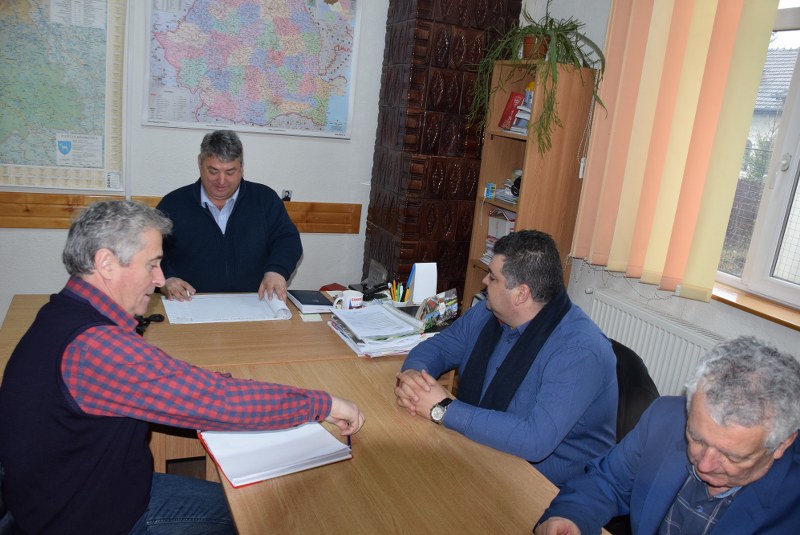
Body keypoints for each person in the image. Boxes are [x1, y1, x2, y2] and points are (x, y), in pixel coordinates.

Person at [0, 200, 364, 534]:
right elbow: (220, 402)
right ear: (106, 263)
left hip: (82, 487)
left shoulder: (65, 310)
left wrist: (206, 383)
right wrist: (324, 404)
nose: (160, 279)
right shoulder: (96, 348)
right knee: (261, 515)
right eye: (152, 264)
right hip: (90, 516)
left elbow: (167, 379)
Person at [394, 230, 617, 486]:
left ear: (521, 294)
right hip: (482, 455)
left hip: (549, 490)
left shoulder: (579, 351)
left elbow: (534, 440)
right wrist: (414, 376)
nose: (484, 281)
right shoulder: (488, 313)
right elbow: (439, 348)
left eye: (493, 277)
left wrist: (443, 409)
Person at [535, 336, 800, 535]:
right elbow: (608, 481)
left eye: (732, 457)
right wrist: (570, 517)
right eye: (696, 437)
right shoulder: (667, 418)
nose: (703, 464)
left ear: (782, 443)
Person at [156, 129, 301, 302]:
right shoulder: (173, 203)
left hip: (255, 301)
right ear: (200, 163)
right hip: (191, 303)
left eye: (230, 172)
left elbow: (287, 240)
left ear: (241, 168)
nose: (221, 181)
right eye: (213, 171)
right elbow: (149, 251)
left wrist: (277, 270)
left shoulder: (265, 199)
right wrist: (166, 278)